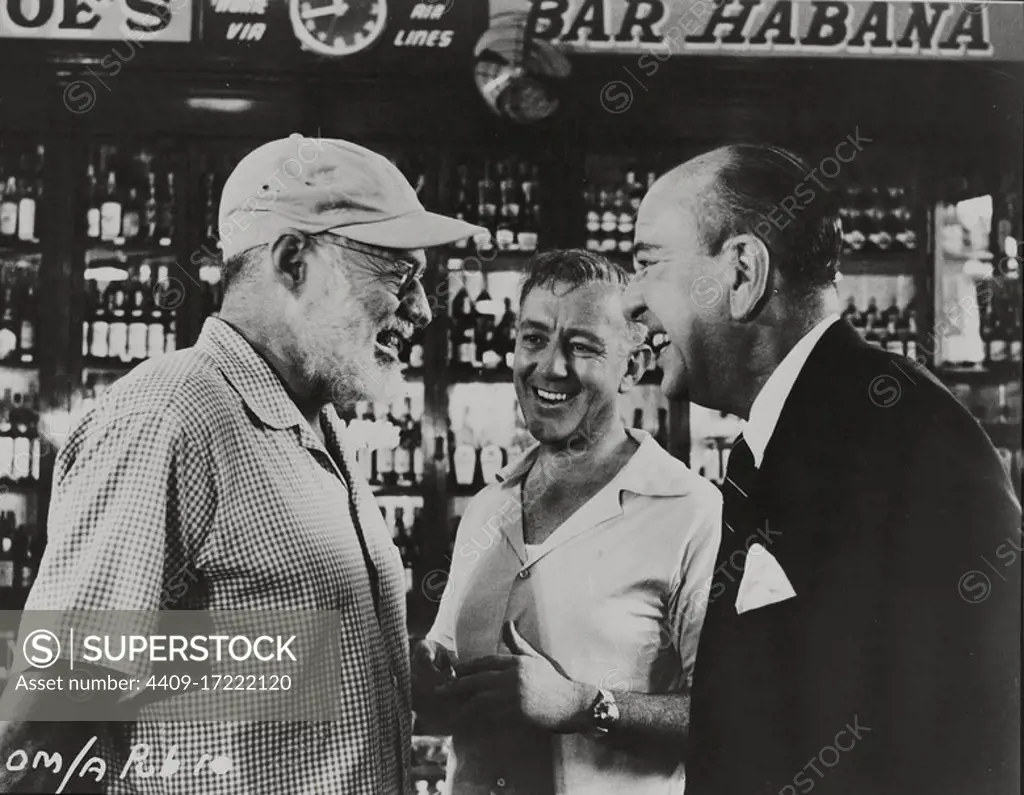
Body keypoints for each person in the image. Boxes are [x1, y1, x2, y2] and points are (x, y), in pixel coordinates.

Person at [0, 135, 485, 794]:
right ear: (293, 260)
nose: (424, 310)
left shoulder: (314, 419)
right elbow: (55, 710)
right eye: (401, 274)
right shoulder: (167, 414)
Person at [624, 143, 1021, 795]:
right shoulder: (781, 434)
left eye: (650, 266)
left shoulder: (911, 436)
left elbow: (978, 740)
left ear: (744, 273)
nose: (630, 303)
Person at [413, 250, 722, 795]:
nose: (550, 367)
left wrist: (585, 706)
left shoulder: (690, 511)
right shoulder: (488, 506)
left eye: (582, 347)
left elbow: (731, 720)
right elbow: (447, 664)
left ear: (634, 367)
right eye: (533, 339)